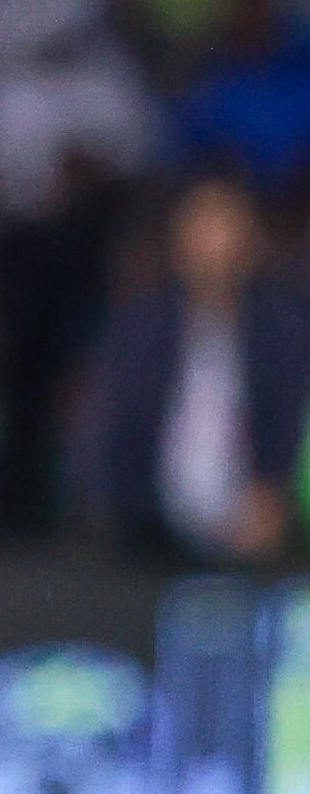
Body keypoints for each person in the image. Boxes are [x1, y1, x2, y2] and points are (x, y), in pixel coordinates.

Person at [84, 172, 310, 567]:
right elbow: (108, 442)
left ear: (253, 241)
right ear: (177, 241)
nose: (214, 247)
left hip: (263, 551)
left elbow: (292, 433)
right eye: (201, 226)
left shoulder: (287, 335)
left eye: (226, 228)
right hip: (148, 547)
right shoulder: (139, 331)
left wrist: (276, 501)